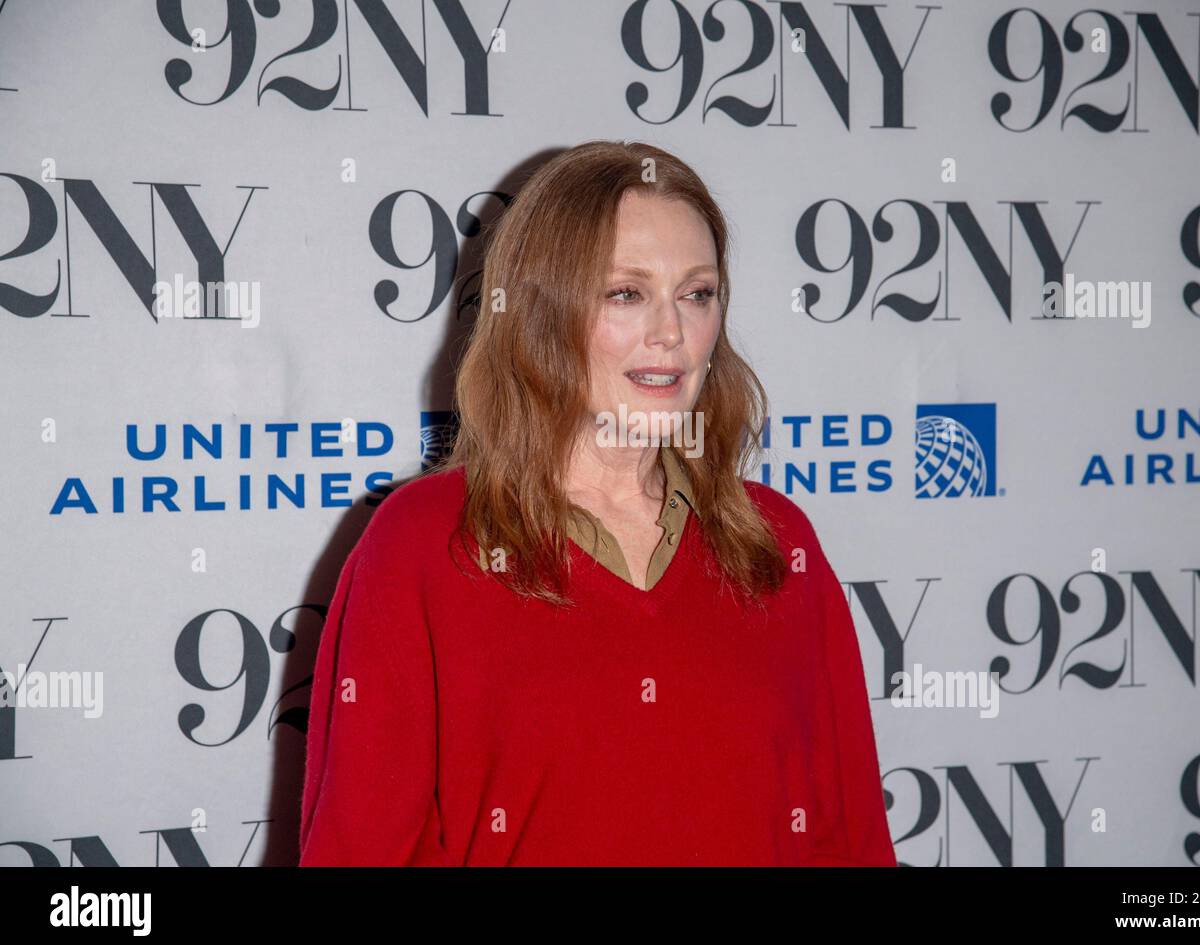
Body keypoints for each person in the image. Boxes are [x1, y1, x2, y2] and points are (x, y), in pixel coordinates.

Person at [298, 140, 896, 866]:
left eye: (697, 294)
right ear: (540, 314)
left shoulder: (775, 541)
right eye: (626, 293)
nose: (671, 332)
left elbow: (850, 837)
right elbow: (359, 850)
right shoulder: (425, 544)